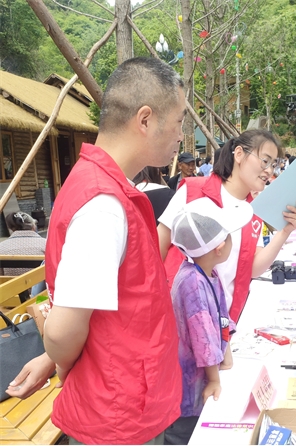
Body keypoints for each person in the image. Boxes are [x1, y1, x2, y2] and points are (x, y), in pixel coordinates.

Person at [41, 57, 184, 444]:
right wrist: (64, 365)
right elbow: (63, 331)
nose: (181, 135)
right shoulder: (103, 205)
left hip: (124, 400)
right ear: (145, 119)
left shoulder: (104, 188)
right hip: (118, 415)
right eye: (179, 121)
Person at [158, 129, 296, 324]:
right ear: (239, 154)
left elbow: (252, 268)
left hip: (221, 320)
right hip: (178, 318)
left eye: (274, 164)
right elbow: (158, 247)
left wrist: (285, 231)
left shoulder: (252, 211)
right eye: (265, 161)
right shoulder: (194, 191)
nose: (269, 171)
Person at [165, 199, 251, 445]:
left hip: (207, 370)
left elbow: (221, 316)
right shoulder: (192, 283)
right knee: (184, 435)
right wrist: (213, 379)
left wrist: (226, 352)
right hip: (191, 385)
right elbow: (203, 338)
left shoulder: (207, 272)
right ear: (219, 248)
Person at [0, 212, 45, 277]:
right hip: (41, 283)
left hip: (13, 283)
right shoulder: (46, 244)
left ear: (11, 228)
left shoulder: (1, 247)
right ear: (33, 226)